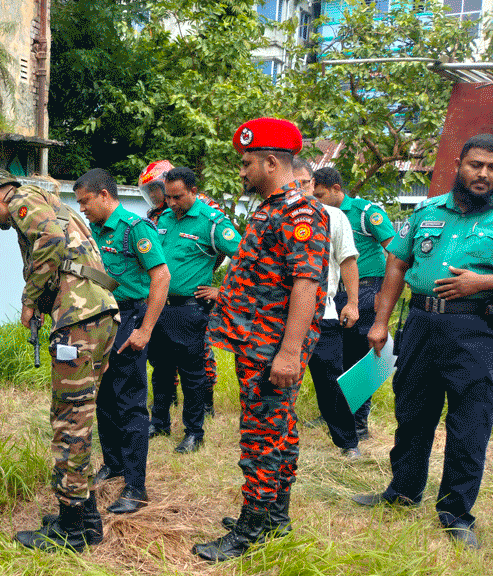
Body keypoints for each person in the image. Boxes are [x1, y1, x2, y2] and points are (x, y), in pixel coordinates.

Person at [352, 133, 493, 550]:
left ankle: (456, 514)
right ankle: (402, 492)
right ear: (459, 163)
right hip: (422, 326)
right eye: (476, 165)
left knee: (469, 427)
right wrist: (380, 322)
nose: (483, 174)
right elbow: (397, 263)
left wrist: (484, 281)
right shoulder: (426, 211)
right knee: (412, 418)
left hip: (478, 331)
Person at [194, 117, 329, 563]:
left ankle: (251, 529)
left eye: (247, 163)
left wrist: (289, 354)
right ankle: (273, 516)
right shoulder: (269, 207)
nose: (242, 171)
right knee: (279, 432)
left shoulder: (299, 212)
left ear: (272, 161)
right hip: (256, 343)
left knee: (262, 437)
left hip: (272, 348)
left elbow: (307, 285)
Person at [0, 167, 119, 553]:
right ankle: (85, 519)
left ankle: (72, 529)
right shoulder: (53, 203)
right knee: (79, 414)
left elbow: (51, 241)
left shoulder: (21, 200)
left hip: (80, 318)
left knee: (69, 421)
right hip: (98, 313)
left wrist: (30, 299)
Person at [73, 168, 171, 515]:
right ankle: (113, 463)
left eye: (86, 202)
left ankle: (135, 486)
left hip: (129, 317)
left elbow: (161, 276)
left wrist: (144, 331)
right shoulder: (90, 232)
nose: (82, 208)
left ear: (104, 195)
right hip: (100, 320)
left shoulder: (134, 230)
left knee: (129, 403)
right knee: (103, 399)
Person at [148, 166, 239, 454]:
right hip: (159, 308)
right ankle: (159, 421)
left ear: (194, 193)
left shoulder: (211, 222)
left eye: (178, 197)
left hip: (189, 311)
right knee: (160, 370)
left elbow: (246, 257)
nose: (172, 203)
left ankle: (193, 432)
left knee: (192, 374)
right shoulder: (163, 218)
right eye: (168, 197)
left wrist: (222, 291)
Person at [313, 166, 395, 440]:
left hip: (368, 290)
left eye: (322, 194)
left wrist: (384, 294)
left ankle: (359, 422)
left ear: (337, 189)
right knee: (337, 355)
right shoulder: (316, 214)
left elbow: (394, 250)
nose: (318, 200)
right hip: (337, 292)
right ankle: (335, 412)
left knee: (363, 357)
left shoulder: (364, 212)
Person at [292, 157, 362, 458]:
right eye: (292, 185)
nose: (299, 191)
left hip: (324, 313)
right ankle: (278, 440)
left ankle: (348, 442)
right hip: (278, 316)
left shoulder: (333, 216)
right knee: (278, 380)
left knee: (330, 382)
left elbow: (347, 260)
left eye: (304, 184)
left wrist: (354, 303)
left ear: (313, 183)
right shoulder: (271, 216)